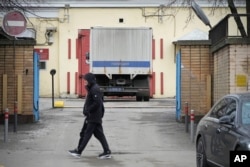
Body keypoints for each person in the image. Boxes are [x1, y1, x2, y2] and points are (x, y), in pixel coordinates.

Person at [68, 72, 111, 159]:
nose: (84, 82)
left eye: (86, 80)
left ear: (90, 80)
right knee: (98, 134)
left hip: (93, 116)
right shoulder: (92, 88)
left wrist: (88, 110)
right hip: (93, 116)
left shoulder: (94, 89)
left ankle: (79, 151)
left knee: (86, 134)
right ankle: (107, 151)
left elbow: (97, 103)